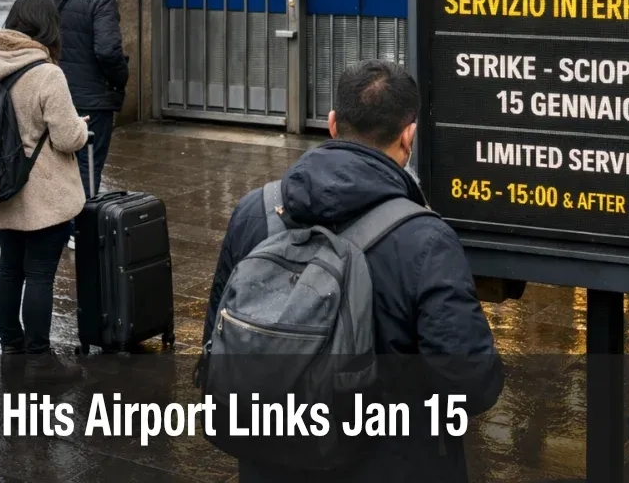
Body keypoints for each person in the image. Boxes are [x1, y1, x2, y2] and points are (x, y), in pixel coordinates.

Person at [202, 60, 504, 483]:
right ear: (408, 136)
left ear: (331, 124)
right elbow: (471, 382)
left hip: (269, 462)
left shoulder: (255, 211)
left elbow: (215, 343)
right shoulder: (427, 241)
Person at [0, 0, 89, 382]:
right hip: (44, 195)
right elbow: (67, 138)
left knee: (9, 269)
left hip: (2, 186)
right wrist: (83, 126)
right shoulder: (46, 73)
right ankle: (39, 360)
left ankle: (11, 349)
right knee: (39, 274)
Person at [49, 0, 128, 205]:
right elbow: (108, 51)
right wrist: (120, 78)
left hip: (55, 94)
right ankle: (81, 227)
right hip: (92, 99)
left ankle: (61, 221)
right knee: (88, 164)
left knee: (59, 161)